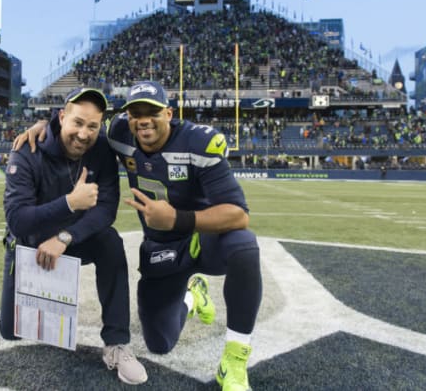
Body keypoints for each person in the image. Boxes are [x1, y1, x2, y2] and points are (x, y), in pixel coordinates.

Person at [16, 81, 262, 390]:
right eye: (136, 112)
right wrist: (46, 126)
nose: (143, 119)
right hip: (161, 249)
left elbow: (239, 214)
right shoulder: (120, 134)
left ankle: (235, 362)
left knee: (244, 246)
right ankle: (192, 295)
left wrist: (177, 218)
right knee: (160, 342)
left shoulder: (199, 143)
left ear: (169, 113)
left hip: (202, 238)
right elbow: (82, 133)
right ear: (128, 117)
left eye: (153, 112)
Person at [0, 87, 148, 385]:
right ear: (61, 116)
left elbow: (106, 210)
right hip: (31, 242)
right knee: (11, 331)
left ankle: (117, 342)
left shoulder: (102, 149)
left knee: (110, 242)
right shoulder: (28, 148)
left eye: (92, 126)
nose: (84, 134)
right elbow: (17, 220)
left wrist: (65, 236)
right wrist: (69, 202)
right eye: (77, 123)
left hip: (72, 239)